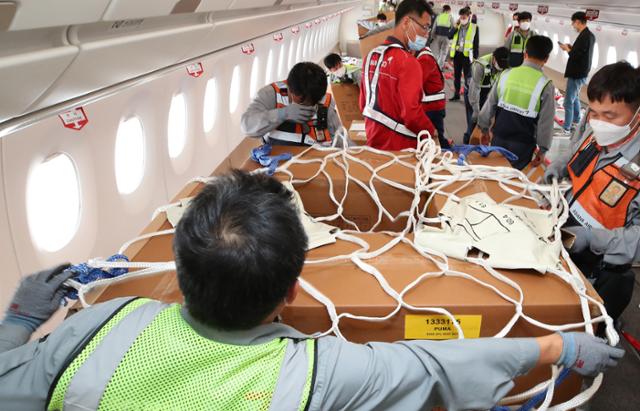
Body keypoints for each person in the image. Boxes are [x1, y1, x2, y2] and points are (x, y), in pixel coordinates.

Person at [0, 171, 624, 410]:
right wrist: (558, 351)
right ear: (293, 290)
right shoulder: (315, 375)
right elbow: (433, 362)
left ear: (180, 273)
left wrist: (21, 321)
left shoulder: (100, 326)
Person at [544, 61, 640, 324]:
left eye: (610, 116)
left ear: (636, 114)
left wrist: (593, 238)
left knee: (585, 321)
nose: (599, 123)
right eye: (594, 112)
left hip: (601, 258)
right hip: (565, 231)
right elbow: (575, 149)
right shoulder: (593, 126)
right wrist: (559, 167)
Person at [359, 0, 437, 150]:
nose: (426, 34)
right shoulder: (408, 62)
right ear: (407, 22)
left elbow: (363, 104)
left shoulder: (371, 56)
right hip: (400, 149)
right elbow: (411, 115)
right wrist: (430, 132)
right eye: (425, 27)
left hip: (374, 144)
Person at [478, 35, 555, 170]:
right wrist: (543, 149)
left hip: (499, 136)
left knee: (495, 172)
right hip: (523, 144)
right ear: (546, 59)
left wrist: (484, 130)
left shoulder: (506, 74)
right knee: (513, 181)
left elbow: (489, 105)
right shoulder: (546, 85)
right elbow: (546, 122)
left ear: (525, 53)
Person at [241, 62, 342, 146]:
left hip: (314, 154)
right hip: (278, 155)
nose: (307, 107)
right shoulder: (271, 94)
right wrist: (282, 114)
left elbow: (338, 135)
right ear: (291, 90)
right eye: (302, 102)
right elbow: (247, 127)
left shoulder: (322, 97)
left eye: (312, 104)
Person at [559, 11, 596, 135]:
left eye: (573, 23)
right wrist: (571, 47)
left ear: (578, 22)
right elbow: (581, 52)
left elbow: (577, 55)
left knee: (568, 101)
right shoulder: (587, 35)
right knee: (574, 98)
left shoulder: (586, 36)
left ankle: (566, 128)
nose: (573, 25)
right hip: (580, 72)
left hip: (577, 73)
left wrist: (567, 49)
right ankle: (576, 120)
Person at [462, 46, 510, 144]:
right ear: (494, 58)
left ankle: (479, 141)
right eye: (499, 64)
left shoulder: (505, 66)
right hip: (472, 91)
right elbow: (474, 89)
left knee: (483, 119)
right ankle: (467, 142)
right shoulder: (480, 65)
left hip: (486, 91)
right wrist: (476, 109)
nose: (500, 68)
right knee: (474, 120)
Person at [417, 44, 450, 148]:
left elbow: (416, 84)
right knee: (435, 137)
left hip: (432, 107)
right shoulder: (423, 54)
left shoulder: (424, 59)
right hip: (433, 105)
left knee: (435, 139)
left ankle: (444, 155)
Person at [448, 7, 479, 102]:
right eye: (461, 17)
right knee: (456, 76)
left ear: (468, 16)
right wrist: (456, 26)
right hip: (457, 54)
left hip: (467, 56)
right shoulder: (457, 26)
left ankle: (468, 96)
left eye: (464, 17)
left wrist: (475, 57)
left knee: (467, 77)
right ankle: (456, 94)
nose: (462, 19)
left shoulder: (474, 28)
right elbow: (449, 36)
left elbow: (476, 44)